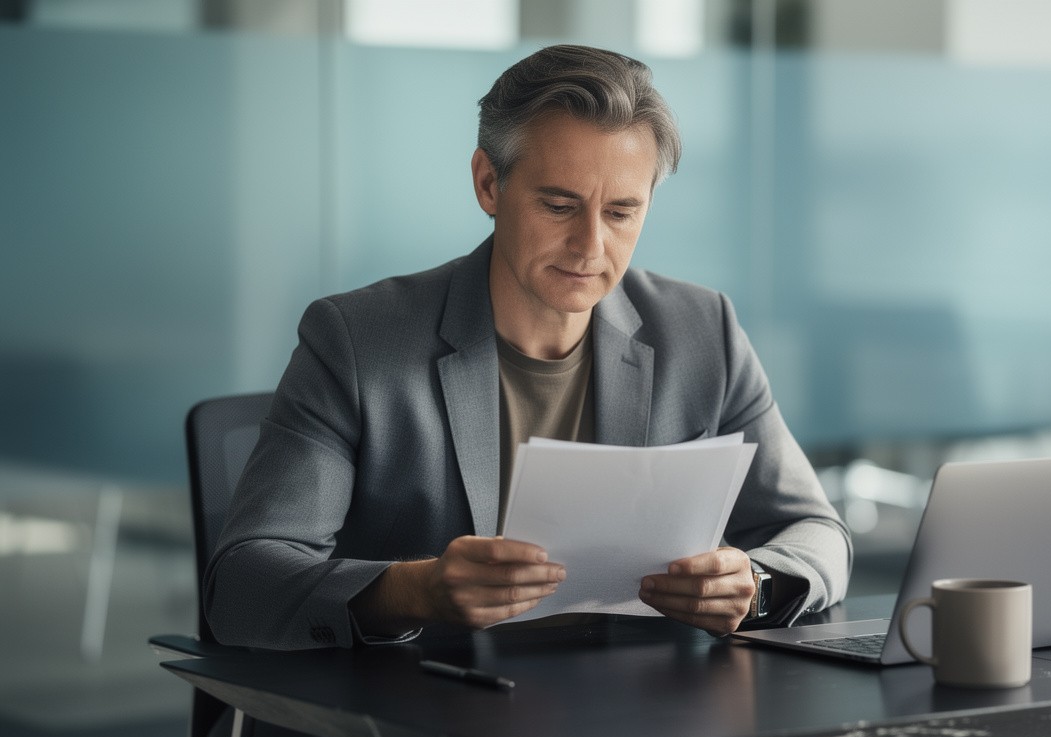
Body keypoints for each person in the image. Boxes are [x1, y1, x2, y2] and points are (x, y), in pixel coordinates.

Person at [205, 44, 849, 653]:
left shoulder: (701, 330)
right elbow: (242, 586)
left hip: (644, 711)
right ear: (489, 184)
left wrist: (757, 586)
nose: (591, 246)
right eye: (560, 205)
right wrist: (417, 591)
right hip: (425, 712)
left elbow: (817, 534)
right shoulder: (355, 341)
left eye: (622, 212)